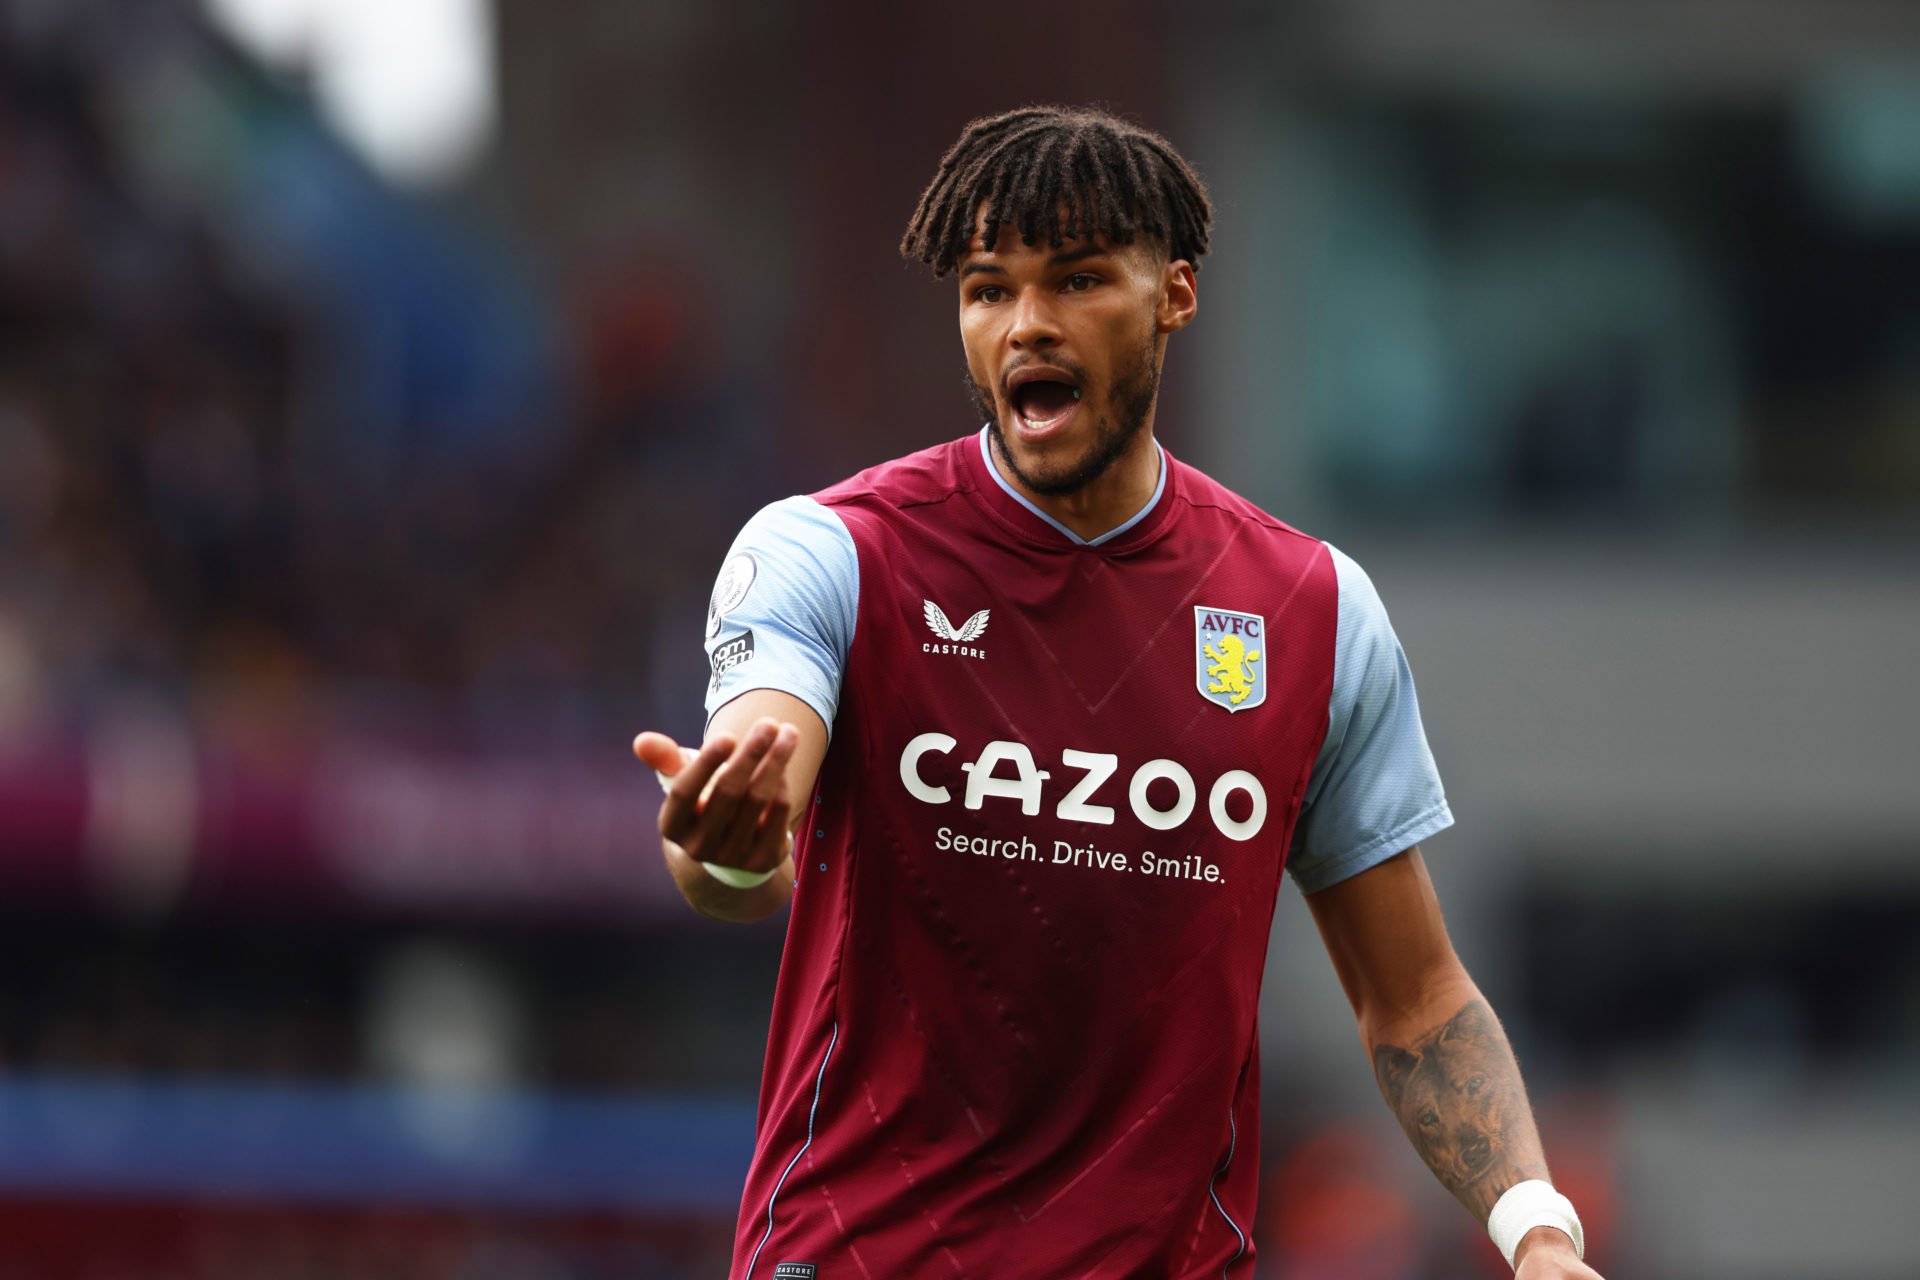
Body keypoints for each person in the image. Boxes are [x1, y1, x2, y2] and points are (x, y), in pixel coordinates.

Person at [634, 105, 1603, 1280]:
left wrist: (1537, 1230)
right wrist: (728, 841)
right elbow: (751, 807)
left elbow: (1416, 998)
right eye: (989, 289)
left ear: (1175, 295)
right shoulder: (834, 552)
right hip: (862, 1256)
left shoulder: (1315, 612)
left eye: (1080, 279)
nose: (1028, 325)